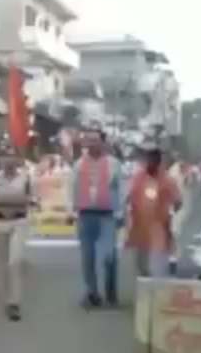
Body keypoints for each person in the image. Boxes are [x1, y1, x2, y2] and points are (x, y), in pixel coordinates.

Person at [69, 129, 126, 308]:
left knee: (109, 256)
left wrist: (121, 213)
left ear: (103, 143)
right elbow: (71, 188)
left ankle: (111, 293)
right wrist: (71, 211)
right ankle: (92, 293)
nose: (92, 144)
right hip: (86, 214)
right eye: (89, 141)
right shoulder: (78, 165)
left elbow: (122, 189)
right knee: (88, 257)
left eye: (95, 141)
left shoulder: (113, 164)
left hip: (107, 215)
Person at [0, 143, 33, 321]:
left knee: (15, 261)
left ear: (18, 160)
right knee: (1, 263)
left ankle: (14, 302)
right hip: (0, 222)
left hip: (19, 222)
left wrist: (23, 204)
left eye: (12, 156)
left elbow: (31, 200)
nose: (8, 160)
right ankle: (2, 296)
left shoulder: (25, 179)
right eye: (5, 156)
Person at [124, 143, 181, 278]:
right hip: (140, 229)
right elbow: (127, 197)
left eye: (155, 158)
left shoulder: (167, 179)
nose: (152, 162)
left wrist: (170, 213)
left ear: (159, 160)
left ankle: (156, 292)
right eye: (149, 158)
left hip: (159, 229)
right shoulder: (138, 178)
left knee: (156, 267)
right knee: (141, 267)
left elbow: (178, 201)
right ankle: (146, 292)